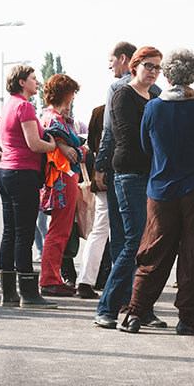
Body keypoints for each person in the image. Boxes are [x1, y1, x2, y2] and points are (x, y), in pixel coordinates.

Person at [120, 49, 194, 335]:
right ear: (192, 76)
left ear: (166, 75)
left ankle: (135, 314)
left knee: (153, 252)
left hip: (161, 189)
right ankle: (187, 319)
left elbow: (145, 146)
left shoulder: (153, 107)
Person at [97, 47, 166, 330]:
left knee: (148, 246)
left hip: (153, 176)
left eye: (157, 68)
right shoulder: (123, 94)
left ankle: (141, 308)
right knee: (132, 244)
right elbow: (128, 137)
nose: (153, 72)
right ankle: (106, 307)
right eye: (148, 66)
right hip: (129, 175)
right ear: (134, 65)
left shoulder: (157, 97)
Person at [0, 65, 65, 309]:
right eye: (34, 78)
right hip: (23, 173)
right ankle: (29, 293)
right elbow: (34, 144)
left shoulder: (8, 105)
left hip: (6, 172)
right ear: (22, 82)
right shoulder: (24, 106)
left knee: (10, 233)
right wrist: (54, 145)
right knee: (24, 234)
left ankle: (8, 293)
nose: (38, 81)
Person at [38, 74, 86, 297]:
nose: (73, 98)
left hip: (61, 177)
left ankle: (53, 276)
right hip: (62, 177)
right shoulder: (54, 119)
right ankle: (49, 278)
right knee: (60, 229)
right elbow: (67, 145)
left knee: (59, 229)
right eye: (72, 94)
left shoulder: (51, 116)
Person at [74, 104, 108, 298]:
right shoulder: (148, 101)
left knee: (99, 230)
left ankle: (85, 281)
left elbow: (94, 147)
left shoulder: (98, 111)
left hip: (102, 176)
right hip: (128, 177)